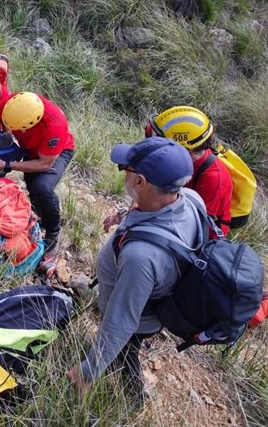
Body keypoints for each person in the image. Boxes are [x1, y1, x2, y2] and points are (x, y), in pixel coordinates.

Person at [67, 137, 203, 405]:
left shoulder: (141, 257)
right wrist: (126, 215)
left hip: (140, 318)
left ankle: (134, 398)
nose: (124, 174)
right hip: (144, 291)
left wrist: (87, 370)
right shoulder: (189, 198)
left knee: (124, 352)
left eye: (126, 169)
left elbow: (122, 320)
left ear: (140, 182)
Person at [0, 91, 74, 255]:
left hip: (55, 154)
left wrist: (6, 164)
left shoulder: (55, 125)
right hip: (29, 148)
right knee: (31, 186)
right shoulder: (15, 104)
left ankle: (53, 230)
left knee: (41, 187)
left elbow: (44, 164)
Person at [103, 106, 233, 237]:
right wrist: (130, 214)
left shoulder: (214, 180)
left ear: (183, 148)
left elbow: (192, 228)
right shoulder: (169, 158)